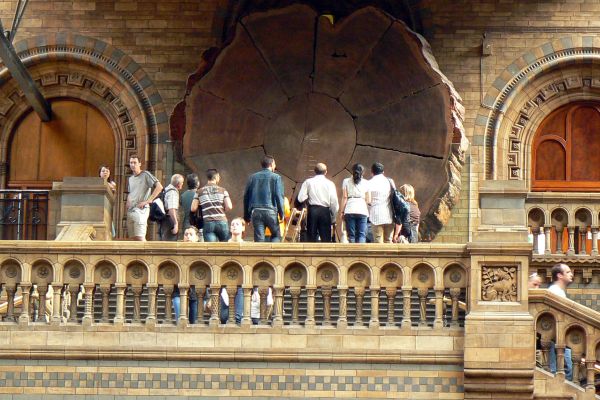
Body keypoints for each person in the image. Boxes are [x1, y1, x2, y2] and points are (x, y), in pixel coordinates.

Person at [243, 155, 285, 242]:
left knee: (259, 239)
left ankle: (259, 255)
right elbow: (279, 196)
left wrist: (246, 216)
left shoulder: (252, 177)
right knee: (276, 235)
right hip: (271, 211)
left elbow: (246, 196)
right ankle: (273, 255)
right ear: (272, 164)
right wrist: (282, 213)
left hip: (256, 212)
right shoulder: (276, 177)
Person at [296, 163, 339, 242]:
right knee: (326, 239)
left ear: (314, 171)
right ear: (326, 172)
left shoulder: (308, 182)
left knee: (311, 238)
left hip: (312, 211)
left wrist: (308, 197)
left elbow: (300, 198)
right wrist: (333, 216)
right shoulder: (330, 184)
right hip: (325, 211)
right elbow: (334, 202)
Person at [126, 154, 163, 241]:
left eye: (135, 162)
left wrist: (148, 201)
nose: (132, 165)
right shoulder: (130, 178)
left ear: (139, 164)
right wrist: (128, 202)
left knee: (140, 237)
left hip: (141, 210)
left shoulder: (145, 174)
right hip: (131, 210)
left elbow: (159, 187)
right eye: (131, 163)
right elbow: (130, 192)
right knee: (133, 239)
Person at [547, 263, 574, 381]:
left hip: (561, 337)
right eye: (568, 272)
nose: (571, 274)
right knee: (561, 370)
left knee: (566, 370)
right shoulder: (554, 291)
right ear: (559, 275)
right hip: (555, 338)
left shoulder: (559, 291)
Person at [191, 168, 232, 242]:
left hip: (208, 222)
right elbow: (229, 206)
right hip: (222, 222)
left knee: (211, 248)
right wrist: (222, 210)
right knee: (225, 247)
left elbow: (193, 208)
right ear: (216, 177)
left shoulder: (199, 192)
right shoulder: (223, 190)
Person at [341, 163, 370, 243]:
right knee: (361, 234)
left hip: (349, 209)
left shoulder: (346, 181)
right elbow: (368, 200)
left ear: (352, 171)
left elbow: (344, 197)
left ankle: (351, 254)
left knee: (351, 235)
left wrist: (342, 211)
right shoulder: (367, 182)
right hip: (362, 209)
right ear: (363, 172)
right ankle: (361, 254)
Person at [367, 162, 395, 243]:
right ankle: (390, 255)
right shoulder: (390, 181)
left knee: (378, 241)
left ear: (372, 172)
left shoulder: (369, 183)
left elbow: (368, 201)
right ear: (383, 172)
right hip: (389, 215)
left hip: (375, 215)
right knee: (388, 240)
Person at [159, 174, 184, 241]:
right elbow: (171, 209)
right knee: (170, 243)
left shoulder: (166, 189)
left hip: (165, 220)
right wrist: (176, 223)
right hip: (170, 221)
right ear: (178, 184)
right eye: (182, 182)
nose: (182, 184)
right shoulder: (173, 192)